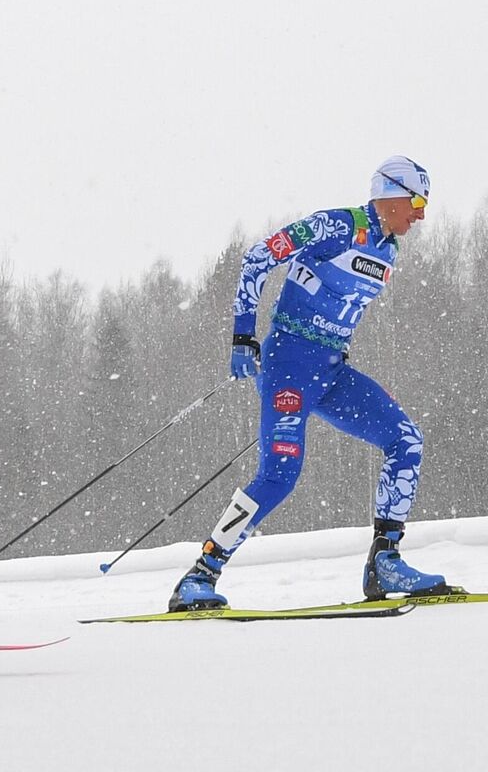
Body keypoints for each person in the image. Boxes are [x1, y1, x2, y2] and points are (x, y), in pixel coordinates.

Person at [169, 156, 449, 611]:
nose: (420, 214)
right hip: (289, 367)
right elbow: (257, 258)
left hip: (332, 372)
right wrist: (244, 335)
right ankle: (199, 575)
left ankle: (386, 560)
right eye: (416, 201)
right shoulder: (336, 226)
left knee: (407, 440)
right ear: (389, 194)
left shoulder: (389, 250)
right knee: (280, 475)